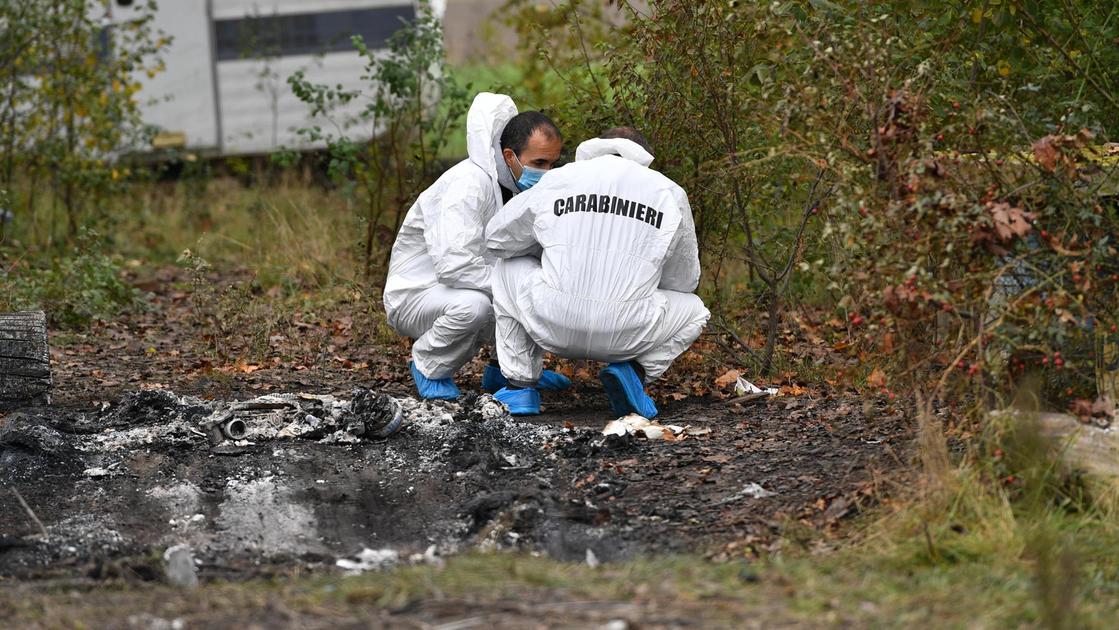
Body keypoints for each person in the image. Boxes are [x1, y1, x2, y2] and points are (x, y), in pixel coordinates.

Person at [485, 127, 710, 417]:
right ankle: (633, 373)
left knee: (508, 266)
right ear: (642, 154)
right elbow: (684, 280)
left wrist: (543, 249)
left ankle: (519, 387)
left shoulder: (559, 179)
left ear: (596, 147)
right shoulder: (669, 192)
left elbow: (497, 238)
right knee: (695, 310)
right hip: (627, 332)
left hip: (553, 322)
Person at [382, 92, 572, 399]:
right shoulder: (467, 185)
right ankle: (428, 365)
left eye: (552, 163)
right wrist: (516, 287)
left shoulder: (510, 187)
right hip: (419, 293)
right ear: (510, 156)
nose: (546, 172)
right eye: (539, 162)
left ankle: (507, 371)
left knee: (522, 278)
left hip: (459, 287)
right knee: (479, 306)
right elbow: (454, 266)